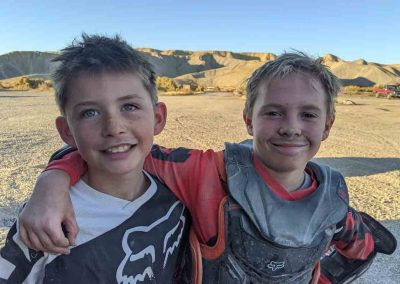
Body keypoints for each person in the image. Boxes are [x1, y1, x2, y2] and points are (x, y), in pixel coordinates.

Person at [17, 52, 393, 283]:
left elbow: (360, 246)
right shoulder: (206, 173)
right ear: (249, 119)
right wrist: (53, 181)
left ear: (327, 125)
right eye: (273, 112)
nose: (291, 126)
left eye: (308, 114)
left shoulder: (333, 198)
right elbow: (118, 149)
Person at [0, 34, 192, 283]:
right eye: (90, 112)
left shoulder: (177, 195)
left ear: (157, 118)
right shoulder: (48, 220)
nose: (114, 127)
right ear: (67, 131)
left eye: (129, 106)